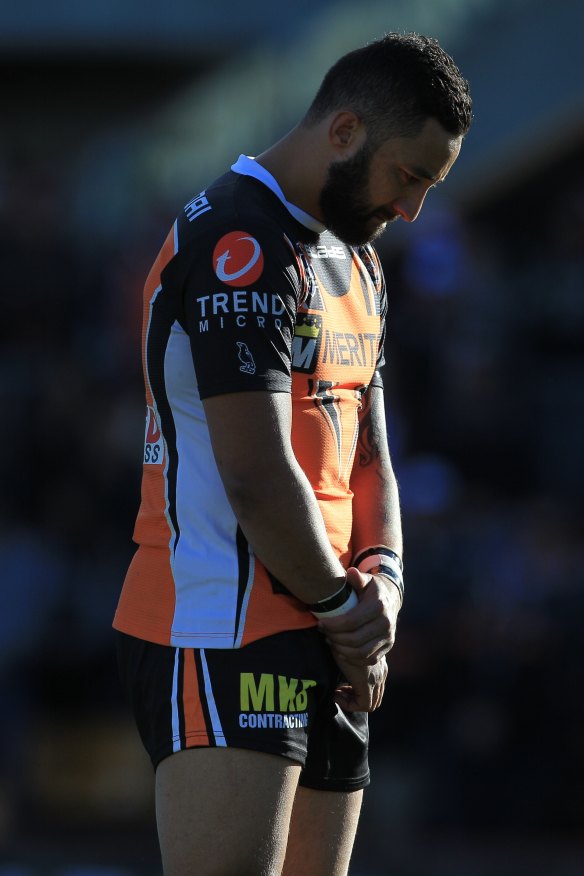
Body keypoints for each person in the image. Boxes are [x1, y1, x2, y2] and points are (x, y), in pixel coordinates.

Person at [113, 31, 472, 876]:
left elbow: (371, 450)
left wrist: (382, 581)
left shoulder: (358, 258)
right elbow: (254, 468)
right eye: (409, 176)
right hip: (223, 624)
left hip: (333, 629)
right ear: (344, 131)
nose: (413, 208)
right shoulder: (239, 240)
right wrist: (348, 615)